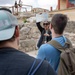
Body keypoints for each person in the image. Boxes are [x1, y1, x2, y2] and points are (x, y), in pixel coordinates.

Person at [0, 9, 56, 75]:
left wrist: (49, 36)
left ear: (49, 25)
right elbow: (38, 24)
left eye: (46, 24)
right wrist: (39, 16)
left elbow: (52, 39)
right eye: (44, 24)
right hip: (41, 46)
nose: (45, 25)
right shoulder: (42, 68)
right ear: (17, 31)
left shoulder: (50, 32)